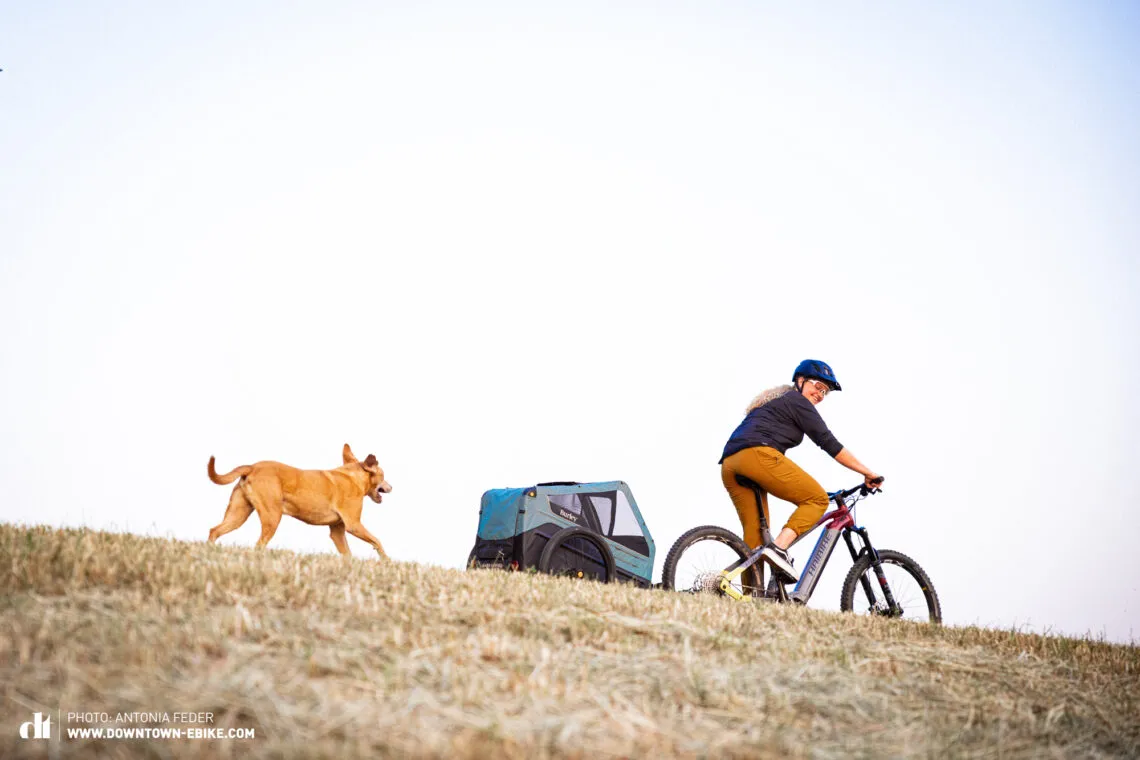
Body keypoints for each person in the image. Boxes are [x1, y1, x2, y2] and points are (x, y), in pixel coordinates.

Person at [718, 360, 883, 583]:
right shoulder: (797, 401)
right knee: (816, 499)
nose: (820, 394)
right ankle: (778, 549)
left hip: (731, 463)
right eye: (817, 385)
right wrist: (867, 472)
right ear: (800, 381)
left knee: (755, 539)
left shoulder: (777, 402)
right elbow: (829, 442)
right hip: (757, 454)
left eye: (825, 391)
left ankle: (752, 598)